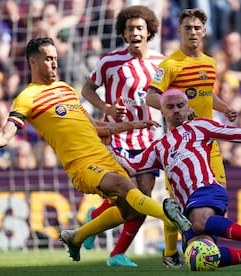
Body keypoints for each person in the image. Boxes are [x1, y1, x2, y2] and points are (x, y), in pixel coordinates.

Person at [0, 37, 191, 263]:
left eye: (55, 58)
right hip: (81, 164)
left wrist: (132, 125)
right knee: (125, 186)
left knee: (132, 213)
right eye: (48, 58)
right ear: (33, 62)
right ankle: (169, 216)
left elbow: (95, 126)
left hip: (104, 156)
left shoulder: (66, 89)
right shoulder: (27, 97)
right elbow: (4, 135)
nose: (54, 62)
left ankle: (75, 237)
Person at [112, 89, 241, 268]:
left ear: (187, 107)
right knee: (200, 258)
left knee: (200, 221)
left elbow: (240, 134)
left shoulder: (200, 126)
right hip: (186, 207)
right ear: (162, 112)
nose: (176, 110)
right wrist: (106, 148)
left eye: (180, 106)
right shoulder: (158, 147)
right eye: (170, 107)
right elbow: (132, 165)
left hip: (206, 189)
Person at [145, 8, 237, 267]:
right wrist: (176, 105)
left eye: (197, 28)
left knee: (219, 196)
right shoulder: (170, 64)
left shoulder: (210, 62)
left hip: (208, 143)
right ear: (179, 32)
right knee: (179, 203)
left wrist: (224, 107)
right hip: (181, 146)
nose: (193, 32)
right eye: (188, 28)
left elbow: (206, 94)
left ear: (204, 31)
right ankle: (172, 251)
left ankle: (206, 248)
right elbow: (150, 95)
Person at [80, 5, 165, 267]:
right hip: (119, 138)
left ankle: (113, 246)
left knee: (144, 198)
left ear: (149, 30)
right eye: (130, 29)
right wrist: (106, 108)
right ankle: (104, 234)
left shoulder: (161, 63)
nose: (135, 32)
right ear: (123, 33)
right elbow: (86, 89)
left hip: (149, 139)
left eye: (140, 28)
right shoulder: (110, 61)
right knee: (127, 194)